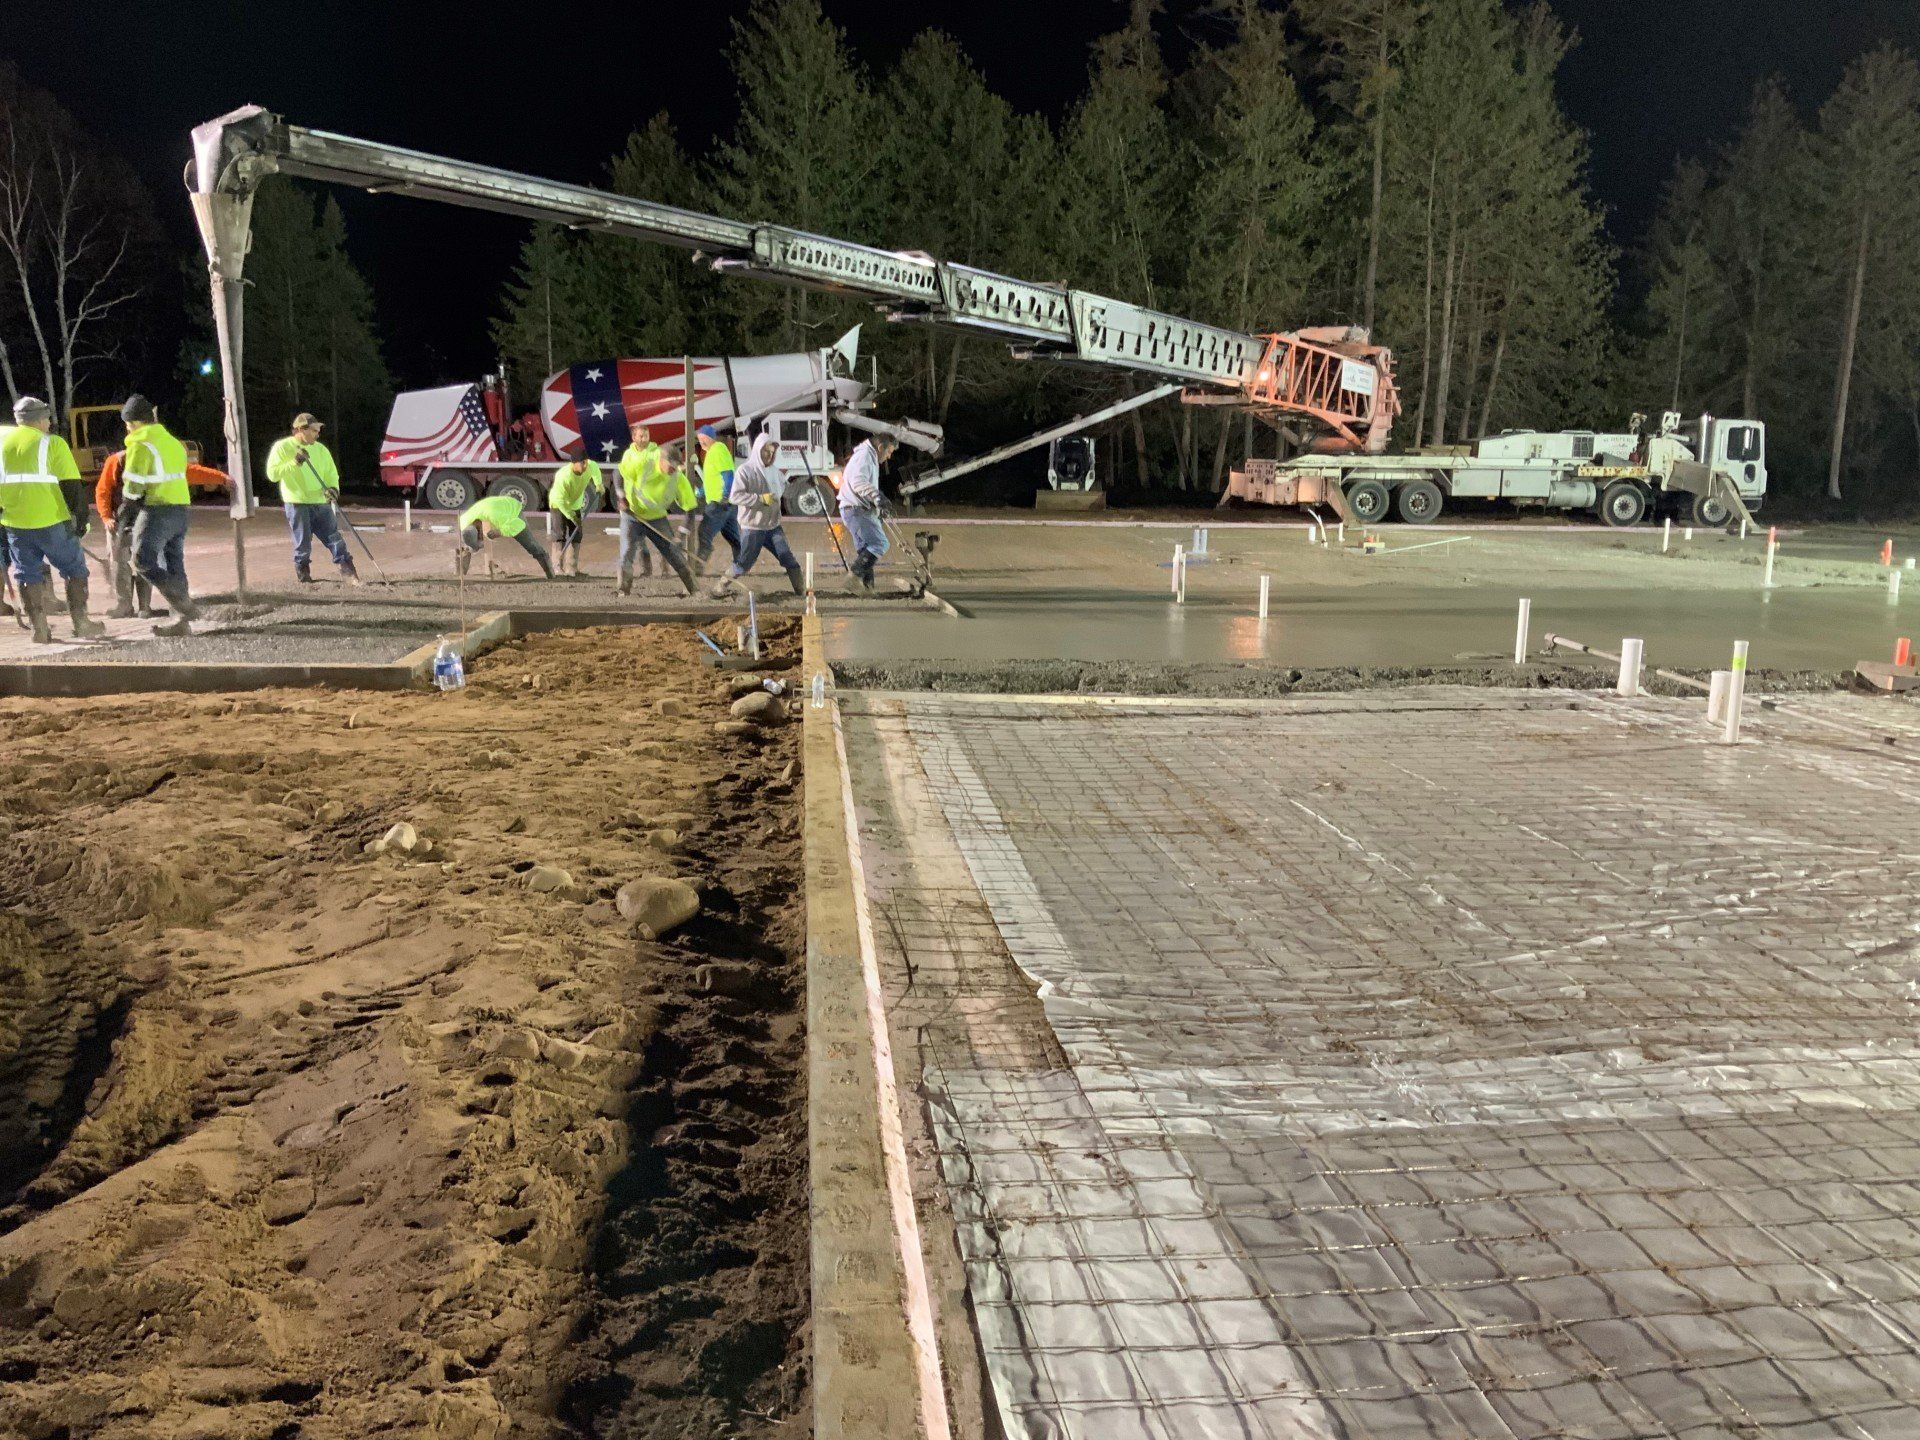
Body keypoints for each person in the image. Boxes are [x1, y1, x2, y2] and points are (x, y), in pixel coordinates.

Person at [0, 395, 104, 643]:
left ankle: (39, 629)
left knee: (26, 573)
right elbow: (71, 485)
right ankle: (81, 623)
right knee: (74, 568)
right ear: (39, 420)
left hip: (15, 523)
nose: (49, 423)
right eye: (47, 419)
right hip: (52, 520)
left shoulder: (2, 444)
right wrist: (81, 518)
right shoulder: (52, 443)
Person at [96, 447, 228, 617]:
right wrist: (106, 517)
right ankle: (124, 605)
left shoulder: (158, 460)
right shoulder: (117, 461)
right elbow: (103, 490)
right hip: (118, 521)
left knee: (143, 561)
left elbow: (191, 472)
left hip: (145, 519)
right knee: (119, 564)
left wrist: (221, 478)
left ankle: (144, 606)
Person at [119, 394, 201, 636]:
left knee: (142, 561)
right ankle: (181, 622)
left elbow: (134, 486)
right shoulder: (173, 443)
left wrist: (125, 508)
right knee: (174, 563)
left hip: (157, 509)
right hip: (180, 510)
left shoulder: (140, 443)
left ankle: (183, 605)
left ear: (133, 422)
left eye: (127, 424)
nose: (127, 428)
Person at [266, 413, 358, 585]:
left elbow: (331, 472)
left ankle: (348, 572)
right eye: (314, 430)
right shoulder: (282, 447)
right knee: (302, 543)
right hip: (297, 502)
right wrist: (294, 462)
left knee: (334, 538)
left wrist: (333, 488)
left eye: (318, 430)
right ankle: (304, 577)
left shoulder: (321, 449)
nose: (318, 434)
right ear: (301, 430)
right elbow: (273, 474)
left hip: (321, 502)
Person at [713, 432, 803, 597]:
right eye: (766, 451)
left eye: (773, 452)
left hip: (773, 526)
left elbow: (788, 492)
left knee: (788, 558)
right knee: (744, 563)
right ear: (758, 451)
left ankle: (801, 592)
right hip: (753, 527)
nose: (770, 455)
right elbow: (735, 497)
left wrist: (804, 484)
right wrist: (759, 499)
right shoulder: (745, 471)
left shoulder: (776, 472)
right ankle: (721, 585)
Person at [615, 436, 698, 596]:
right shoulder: (642, 464)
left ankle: (695, 590)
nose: (674, 469)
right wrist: (621, 496)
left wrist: (680, 536)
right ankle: (623, 590)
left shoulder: (678, 479)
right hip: (632, 516)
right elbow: (617, 472)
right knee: (626, 553)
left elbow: (691, 510)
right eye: (671, 466)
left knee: (675, 554)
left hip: (657, 519)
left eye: (676, 466)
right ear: (661, 460)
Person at [838, 434, 896, 591]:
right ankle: (853, 577)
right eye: (889, 452)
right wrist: (878, 497)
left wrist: (878, 506)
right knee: (880, 543)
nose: (889, 456)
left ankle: (867, 588)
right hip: (857, 510)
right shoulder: (865, 456)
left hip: (854, 509)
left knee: (866, 549)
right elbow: (858, 482)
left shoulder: (867, 456)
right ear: (880, 447)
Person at [457, 493, 555, 578]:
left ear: (477, 524)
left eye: (479, 535)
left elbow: (519, 525)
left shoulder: (497, 517)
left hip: (511, 508)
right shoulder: (463, 522)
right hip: (489, 507)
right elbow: (469, 536)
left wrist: (500, 531)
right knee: (468, 546)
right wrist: (471, 547)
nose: (481, 537)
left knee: (530, 545)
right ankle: (460, 574)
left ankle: (550, 572)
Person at [613, 423, 660, 580]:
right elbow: (618, 473)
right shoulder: (628, 455)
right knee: (636, 541)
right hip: (632, 507)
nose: (644, 439)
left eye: (646, 436)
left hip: (651, 507)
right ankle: (644, 571)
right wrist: (621, 496)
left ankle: (665, 569)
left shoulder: (655, 453)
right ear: (634, 437)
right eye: (641, 436)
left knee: (662, 540)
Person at [694, 425, 740, 569]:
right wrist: (700, 492)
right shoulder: (711, 453)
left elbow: (728, 474)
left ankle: (699, 565)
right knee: (732, 537)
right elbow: (712, 479)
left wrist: (725, 495)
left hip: (719, 503)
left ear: (710, 437)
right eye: (699, 439)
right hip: (727, 503)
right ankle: (742, 562)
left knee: (704, 532)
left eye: (703, 438)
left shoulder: (718, 449)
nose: (701, 442)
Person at [549, 454, 602, 575]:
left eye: (586, 462)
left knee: (577, 534)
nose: (585, 465)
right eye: (582, 463)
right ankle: (557, 567)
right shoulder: (563, 476)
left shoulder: (590, 465)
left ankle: (571, 568)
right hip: (558, 505)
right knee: (559, 534)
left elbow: (595, 470)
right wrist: (572, 516)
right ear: (574, 463)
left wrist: (599, 485)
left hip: (575, 504)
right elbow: (560, 501)